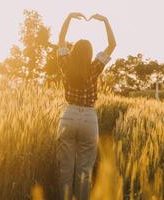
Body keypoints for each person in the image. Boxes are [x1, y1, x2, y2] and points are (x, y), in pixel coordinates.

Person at [56, 12, 116, 200]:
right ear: (90, 54)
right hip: (89, 119)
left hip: (68, 116)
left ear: (73, 52)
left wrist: (68, 18)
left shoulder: (66, 65)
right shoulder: (94, 67)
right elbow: (112, 44)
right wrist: (105, 20)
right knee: (84, 171)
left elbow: (61, 39)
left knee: (65, 169)